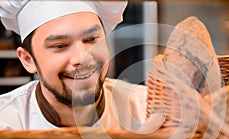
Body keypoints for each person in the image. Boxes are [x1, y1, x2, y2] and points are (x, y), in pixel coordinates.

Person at [0, 0, 148, 130]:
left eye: (91, 39)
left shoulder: (147, 110)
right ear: (28, 60)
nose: (82, 57)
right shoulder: (6, 122)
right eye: (60, 46)